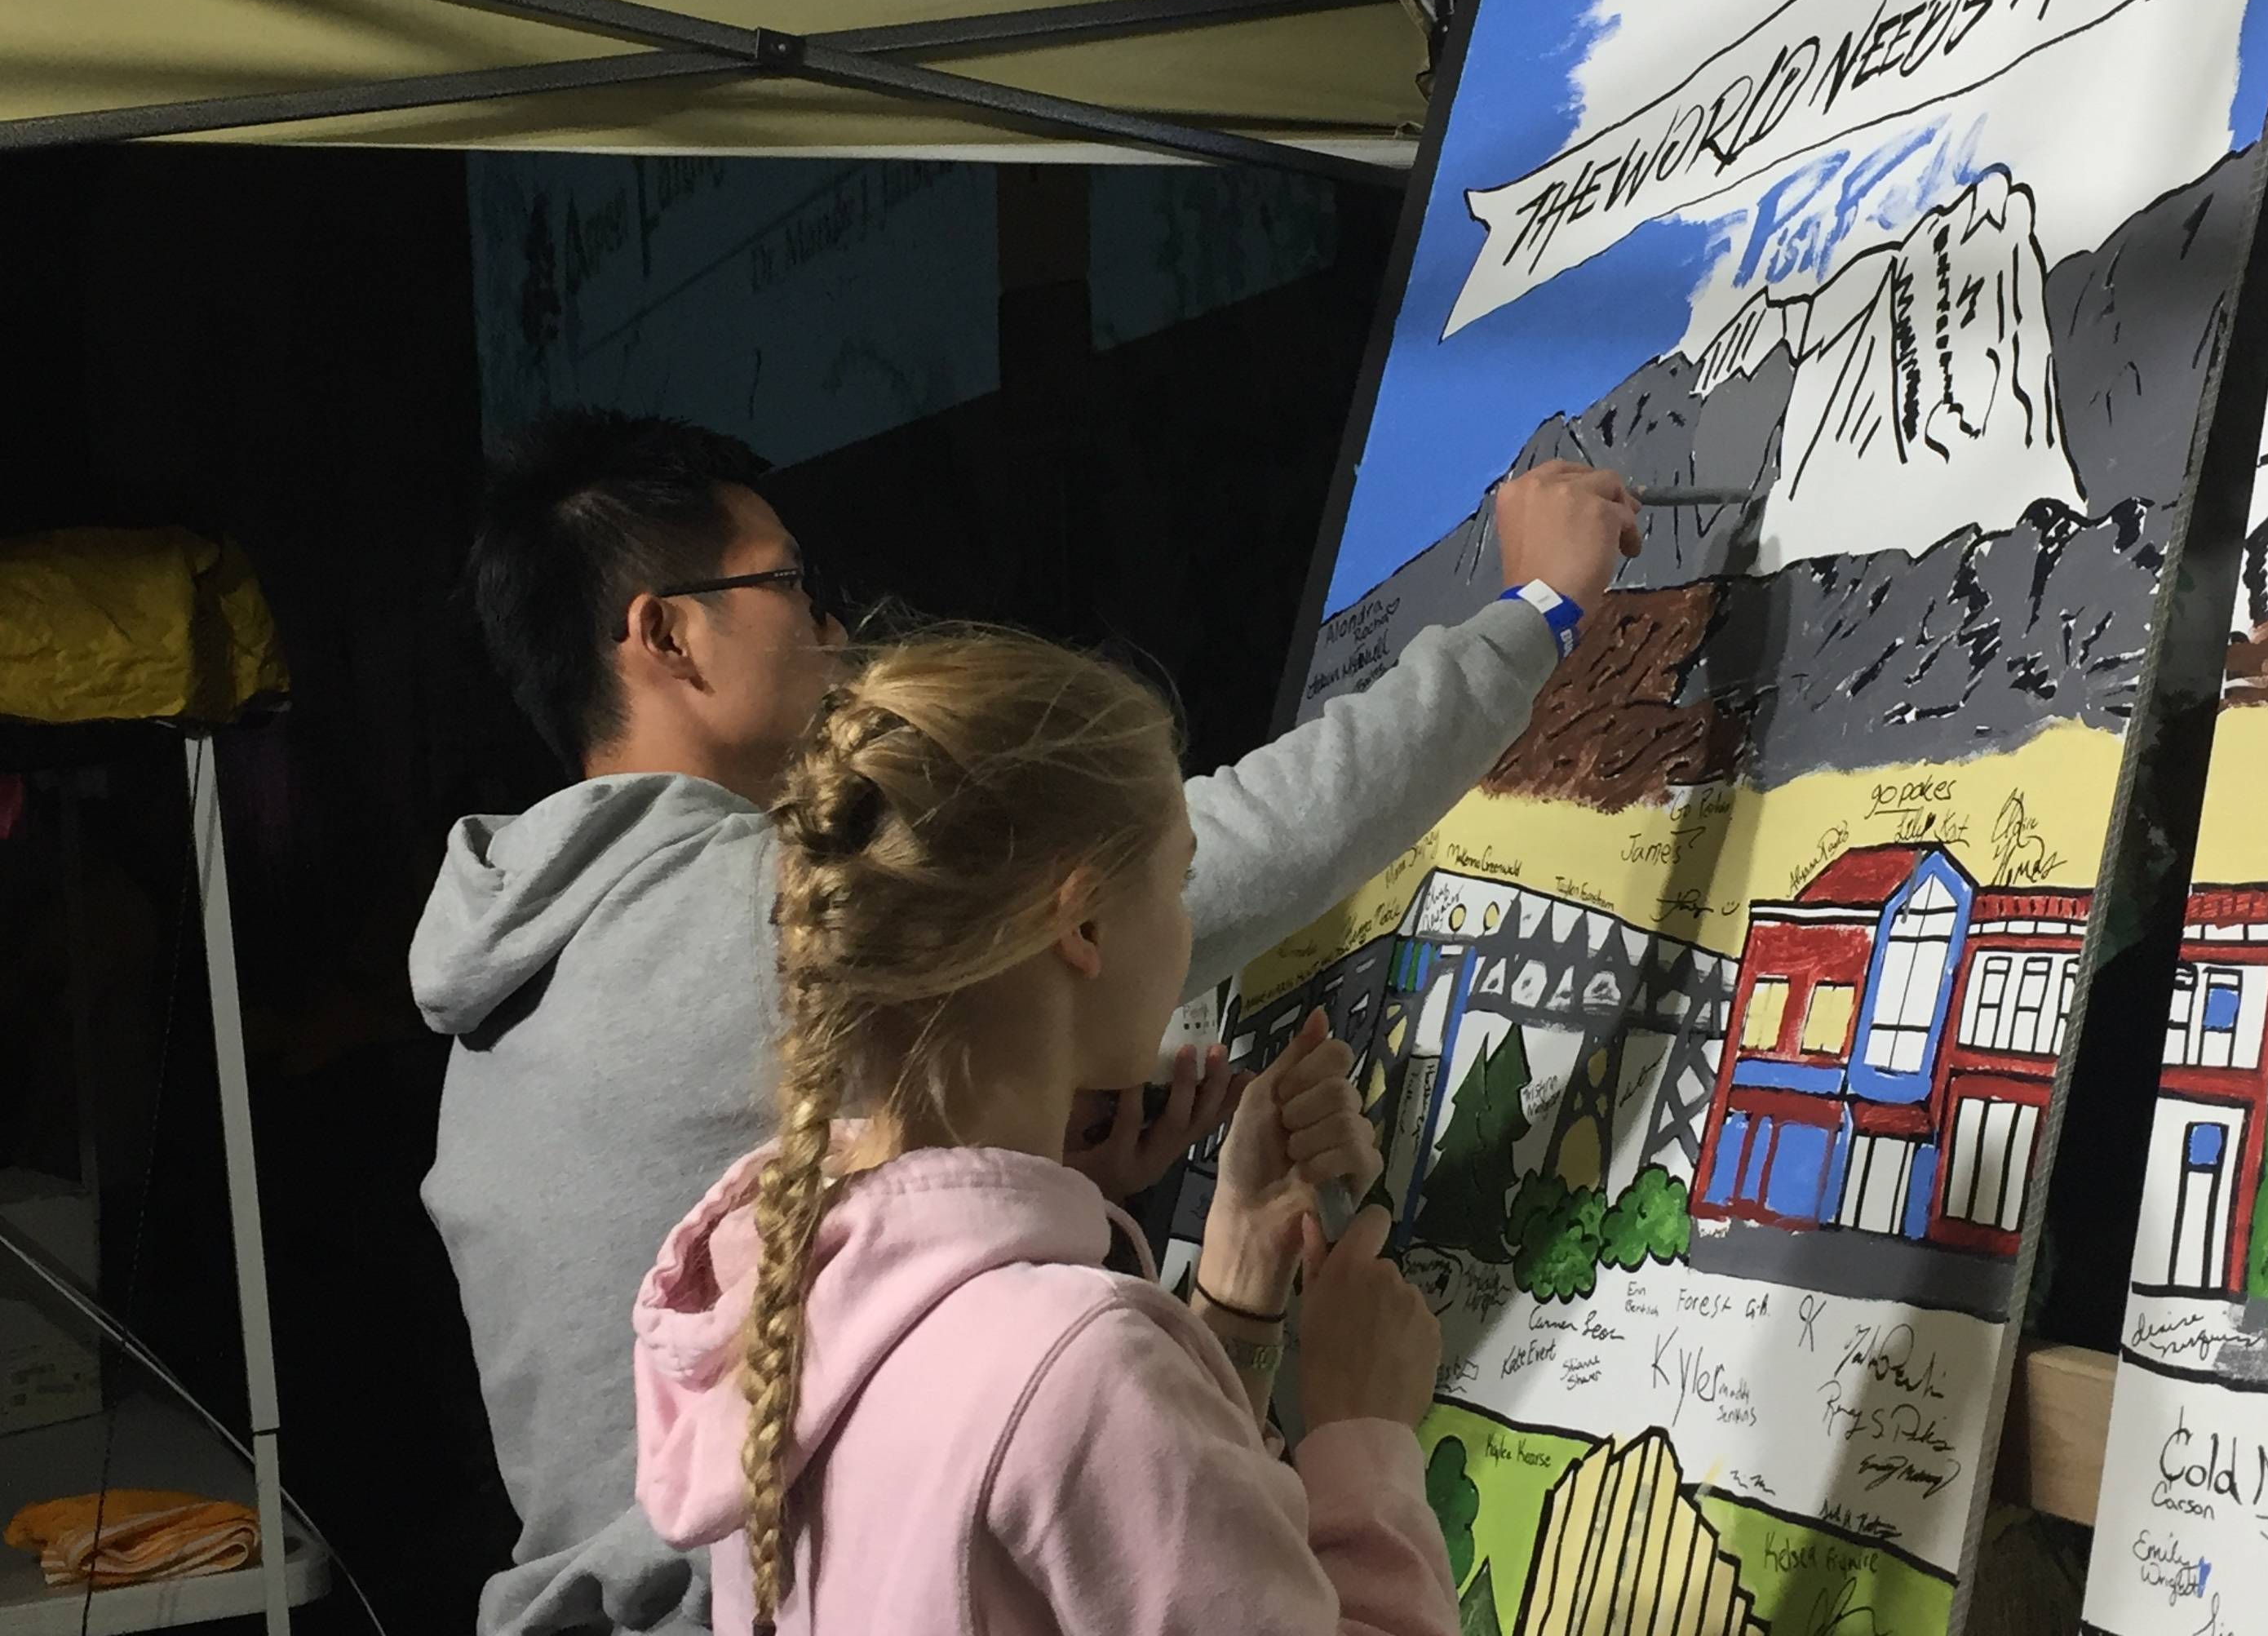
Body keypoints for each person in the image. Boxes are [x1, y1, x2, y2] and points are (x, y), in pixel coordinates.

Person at [410, 410, 1637, 1636]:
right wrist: (1537, 613)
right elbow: (1260, 834)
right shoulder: (776, 910)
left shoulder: (511, 996)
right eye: (793, 586)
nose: (834, 630)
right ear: (669, 633)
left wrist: (1047, 1187)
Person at [634, 631, 1456, 1636]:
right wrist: (1363, 1432)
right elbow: (1077, 1424)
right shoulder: (1080, 1371)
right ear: (1084, 925)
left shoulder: (787, 1308)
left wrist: (1236, 1300)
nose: (1187, 925)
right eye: (1177, 880)